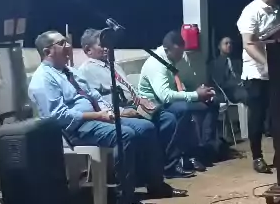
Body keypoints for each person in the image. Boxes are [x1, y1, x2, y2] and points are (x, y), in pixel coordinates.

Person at [28, 31, 187, 204]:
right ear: (47, 52)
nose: (68, 46)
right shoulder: (43, 79)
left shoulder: (70, 71)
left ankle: (155, 184)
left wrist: (110, 112)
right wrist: (97, 115)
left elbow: (94, 96)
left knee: (146, 128)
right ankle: (125, 201)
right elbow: (58, 116)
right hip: (76, 128)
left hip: (97, 118)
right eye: (62, 43)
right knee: (125, 135)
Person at [78, 28, 194, 180]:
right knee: (147, 126)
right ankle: (145, 174)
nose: (107, 48)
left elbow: (129, 88)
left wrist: (141, 100)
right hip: (117, 111)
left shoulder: (113, 65)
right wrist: (122, 112)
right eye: (102, 45)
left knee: (168, 118)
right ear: (88, 50)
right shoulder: (86, 71)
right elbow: (98, 101)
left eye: (108, 44)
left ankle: (167, 166)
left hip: (134, 105)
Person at [138, 30, 219, 164]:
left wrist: (200, 92)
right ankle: (181, 154)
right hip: (155, 105)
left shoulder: (176, 57)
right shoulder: (156, 64)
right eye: (178, 53)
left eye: (182, 52)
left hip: (172, 99)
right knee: (183, 109)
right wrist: (195, 95)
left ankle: (206, 148)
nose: (181, 57)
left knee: (212, 101)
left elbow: (186, 83)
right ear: (166, 50)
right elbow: (165, 96)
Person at [237, 0, 280, 174]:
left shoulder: (277, 11)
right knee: (257, 118)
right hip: (257, 74)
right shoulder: (251, 11)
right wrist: (266, 63)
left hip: (277, 73)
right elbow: (248, 43)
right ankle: (257, 157)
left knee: (279, 116)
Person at [209, 37, 247, 105]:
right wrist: (235, 84)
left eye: (231, 43)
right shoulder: (215, 63)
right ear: (219, 46)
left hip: (241, 87)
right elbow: (219, 82)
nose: (229, 45)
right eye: (226, 43)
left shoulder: (237, 62)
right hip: (226, 91)